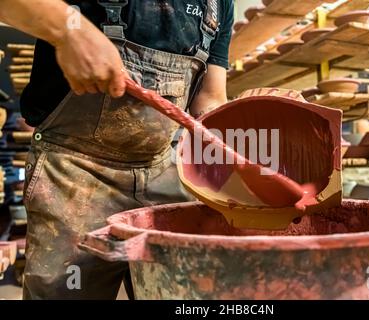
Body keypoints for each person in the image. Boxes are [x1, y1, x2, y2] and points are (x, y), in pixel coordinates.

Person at [0, 0, 233, 299]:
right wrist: (69, 29)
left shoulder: (218, 3)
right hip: (76, 177)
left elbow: (209, 102)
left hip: (164, 173)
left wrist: (253, 114)